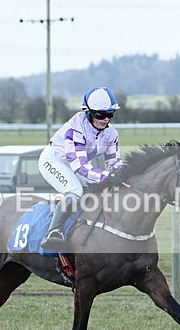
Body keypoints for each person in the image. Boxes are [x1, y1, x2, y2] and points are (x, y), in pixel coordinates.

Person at [38, 86, 123, 249]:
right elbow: (80, 166)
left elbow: (114, 163)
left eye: (110, 115)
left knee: (95, 189)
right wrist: (107, 176)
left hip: (76, 163)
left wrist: (124, 174)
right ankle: (53, 232)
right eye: (101, 114)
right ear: (89, 112)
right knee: (75, 191)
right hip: (54, 160)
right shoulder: (76, 128)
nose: (105, 119)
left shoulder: (112, 134)